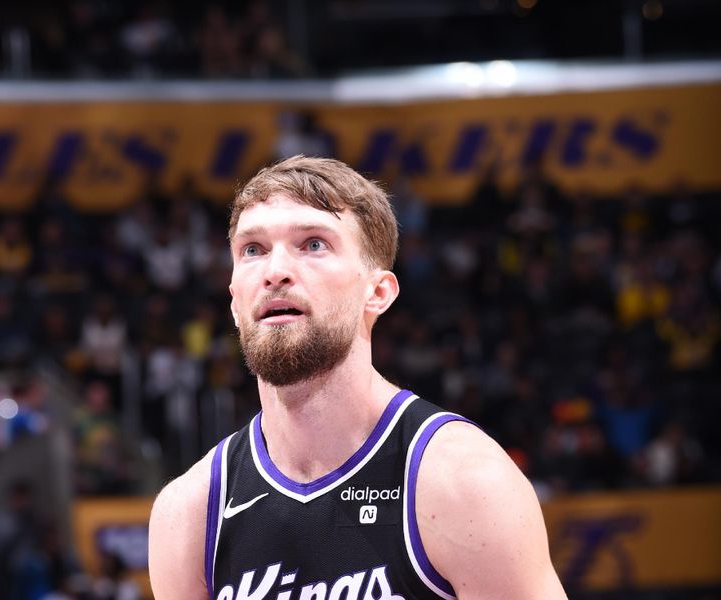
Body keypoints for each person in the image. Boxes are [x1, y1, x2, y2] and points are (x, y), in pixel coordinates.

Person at [149, 156, 567, 599]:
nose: (275, 271)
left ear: (378, 292)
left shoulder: (463, 482)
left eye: (313, 244)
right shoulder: (189, 515)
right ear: (234, 301)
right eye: (253, 249)